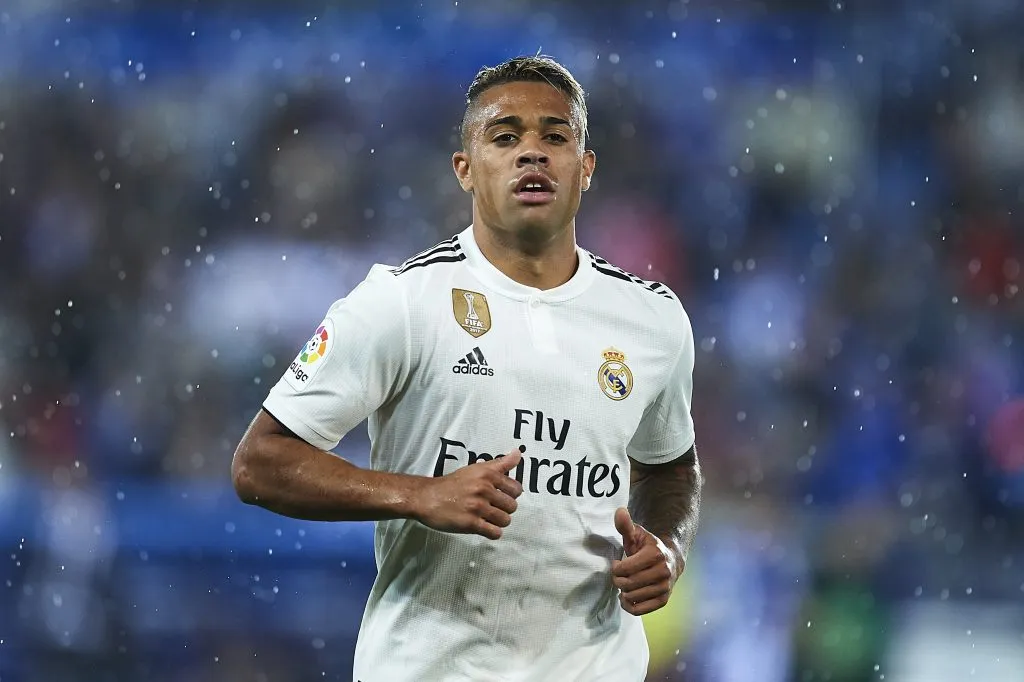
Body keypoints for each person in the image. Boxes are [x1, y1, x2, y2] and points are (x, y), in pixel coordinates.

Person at [231, 55, 703, 682]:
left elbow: (671, 467)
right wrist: (417, 494)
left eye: (555, 137)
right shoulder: (401, 303)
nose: (532, 153)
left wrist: (667, 545)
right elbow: (260, 462)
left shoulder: (653, 319)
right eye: (505, 136)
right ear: (465, 169)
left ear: (585, 169)